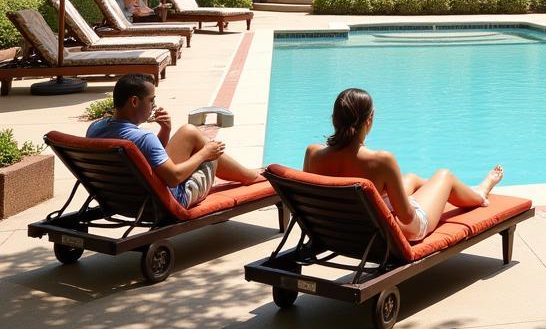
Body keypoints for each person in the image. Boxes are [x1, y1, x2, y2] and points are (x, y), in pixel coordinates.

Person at [304, 88, 503, 242]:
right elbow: (407, 217)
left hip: (340, 231)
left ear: (334, 119)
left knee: (412, 178)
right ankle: (480, 192)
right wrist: (411, 202)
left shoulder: (313, 153)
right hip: (389, 233)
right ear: (370, 119)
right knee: (445, 175)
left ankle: (462, 192)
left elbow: (309, 204)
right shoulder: (380, 160)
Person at [86, 75, 262, 208]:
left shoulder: (95, 128)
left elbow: (150, 160)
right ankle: (250, 177)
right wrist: (204, 154)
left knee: (189, 132)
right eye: (151, 101)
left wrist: (165, 130)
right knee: (207, 147)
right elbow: (173, 178)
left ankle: (248, 175)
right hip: (171, 198)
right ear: (134, 101)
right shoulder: (142, 138)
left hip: (121, 195)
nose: (153, 106)